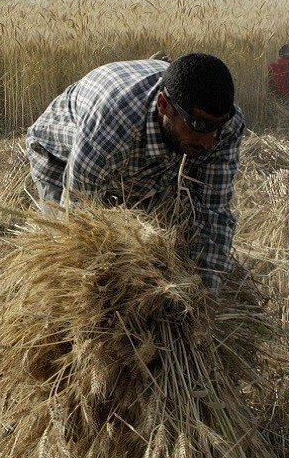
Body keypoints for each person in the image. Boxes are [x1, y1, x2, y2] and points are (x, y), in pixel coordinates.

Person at [25, 53, 244, 290]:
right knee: (71, 256)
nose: (210, 142)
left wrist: (207, 294)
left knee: (152, 254)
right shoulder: (110, 130)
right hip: (59, 156)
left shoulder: (226, 124)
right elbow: (79, 224)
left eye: (216, 128)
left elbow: (214, 211)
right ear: (164, 106)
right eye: (200, 126)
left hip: (141, 154)